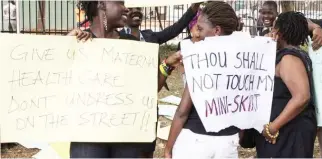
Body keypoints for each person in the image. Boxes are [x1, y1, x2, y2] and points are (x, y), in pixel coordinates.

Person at [67, 1, 181, 158]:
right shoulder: (78, 42)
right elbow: (53, 85)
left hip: (126, 136)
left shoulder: (132, 45)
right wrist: (65, 46)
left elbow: (149, 89)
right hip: (87, 137)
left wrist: (167, 66)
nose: (126, 8)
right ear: (101, 4)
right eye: (120, 2)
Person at [165, 2, 240, 158]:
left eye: (200, 28)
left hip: (196, 141)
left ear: (217, 31)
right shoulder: (243, 60)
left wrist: (168, 148)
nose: (195, 33)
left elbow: (182, 111)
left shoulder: (203, 62)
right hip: (228, 142)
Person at [255, 11, 317, 158]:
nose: (271, 31)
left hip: (289, 132)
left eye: (274, 28)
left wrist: (273, 127)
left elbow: (302, 97)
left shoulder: (289, 58)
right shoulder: (292, 54)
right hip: (288, 131)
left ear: (280, 32)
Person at [121, 4, 200, 44]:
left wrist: (195, 5)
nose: (136, 11)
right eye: (129, 9)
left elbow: (176, 28)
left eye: (138, 8)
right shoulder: (116, 38)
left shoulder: (151, 36)